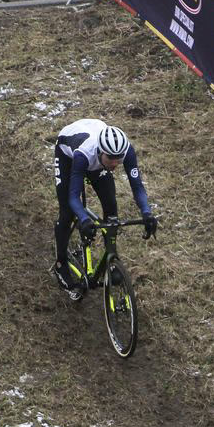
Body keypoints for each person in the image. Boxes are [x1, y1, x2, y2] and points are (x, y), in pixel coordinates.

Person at [50, 118, 157, 299]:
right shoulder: (84, 154)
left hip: (97, 161)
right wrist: (84, 220)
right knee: (69, 212)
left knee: (111, 210)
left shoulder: (124, 151)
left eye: (118, 159)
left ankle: (111, 259)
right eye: (111, 159)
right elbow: (73, 196)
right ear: (100, 151)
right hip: (68, 155)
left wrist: (147, 213)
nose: (115, 164)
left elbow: (137, 186)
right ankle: (61, 265)